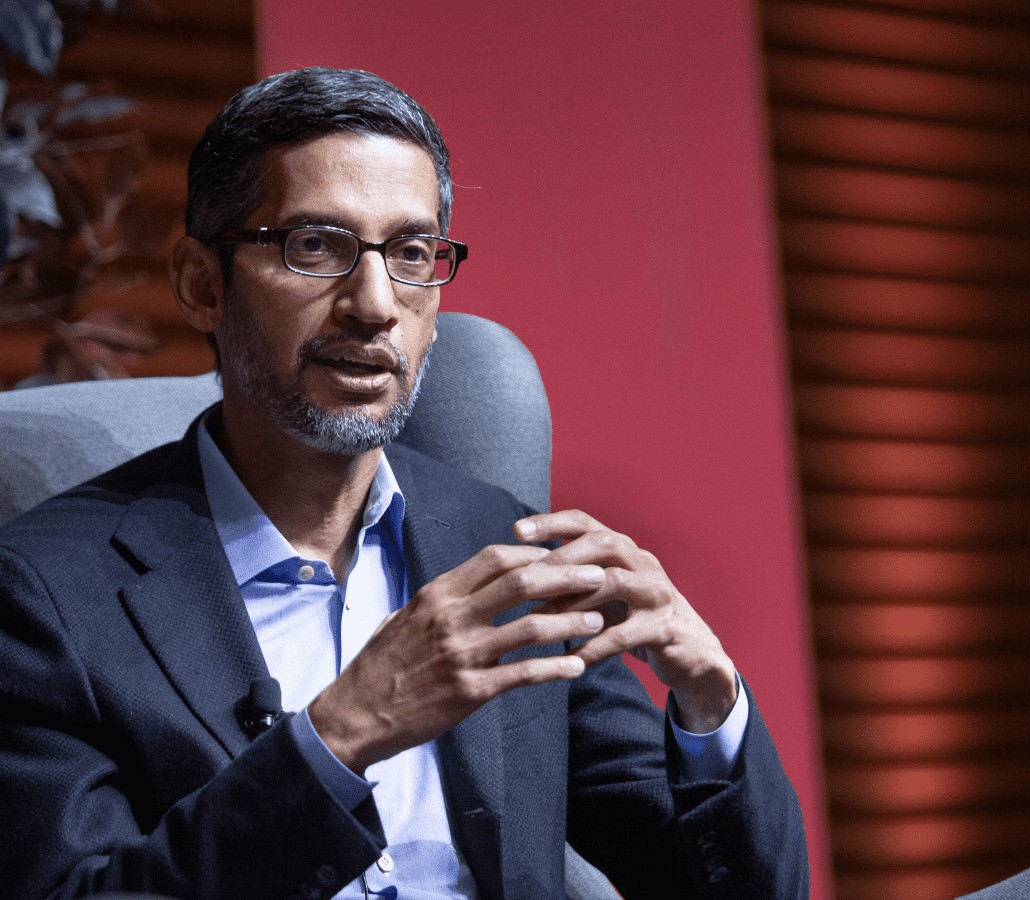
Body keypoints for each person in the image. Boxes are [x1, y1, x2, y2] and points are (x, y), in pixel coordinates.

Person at [0, 67, 806, 899]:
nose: (376, 304)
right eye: (316, 246)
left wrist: (709, 698)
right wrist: (338, 739)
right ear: (203, 286)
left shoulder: (504, 552)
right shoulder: (43, 596)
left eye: (412, 254)